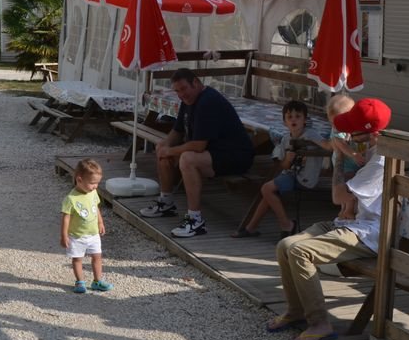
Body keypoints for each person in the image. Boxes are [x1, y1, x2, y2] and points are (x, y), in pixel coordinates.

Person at [267, 97, 392, 340]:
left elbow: (338, 196)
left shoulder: (380, 160)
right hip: (349, 223)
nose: (346, 133)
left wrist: (337, 151)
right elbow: (347, 198)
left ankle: (320, 323)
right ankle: (296, 311)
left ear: (370, 133)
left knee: (300, 251)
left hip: (369, 233)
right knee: (284, 246)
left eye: (351, 128)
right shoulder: (367, 150)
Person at [139, 68, 255, 238]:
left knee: (187, 158)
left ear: (196, 82)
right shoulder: (188, 101)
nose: (181, 95)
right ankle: (166, 203)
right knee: (163, 149)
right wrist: (164, 146)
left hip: (236, 156)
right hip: (213, 153)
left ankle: (196, 220)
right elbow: (177, 131)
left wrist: (170, 150)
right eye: (177, 91)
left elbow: (199, 145)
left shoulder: (208, 101)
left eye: (184, 89)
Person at [231, 100, 326, 239]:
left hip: (305, 178)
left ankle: (287, 224)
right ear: (284, 122)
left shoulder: (311, 134)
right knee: (268, 193)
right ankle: (251, 228)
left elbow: (326, 145)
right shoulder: (286, 139)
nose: (294, 120)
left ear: (305, 120)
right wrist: (288, 159)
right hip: (290, 175)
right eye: (290, 117)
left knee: (267, 189)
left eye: (298, 116)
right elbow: (284, 166)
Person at [61, 158, 111, 294]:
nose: (95, 186)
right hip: (77, 236)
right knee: (77, 258)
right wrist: (64, 235)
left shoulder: (93, 193)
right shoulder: (71, 199)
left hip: (93, 234)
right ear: (79, 179)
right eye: (92, 183)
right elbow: (66, 218)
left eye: (97, 183)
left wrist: (100, 222)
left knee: (97, 256)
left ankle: (97, 281)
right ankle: (80, 281)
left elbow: (96, 207)